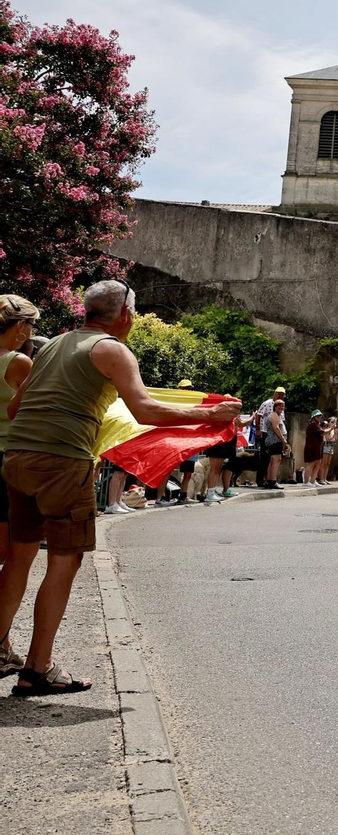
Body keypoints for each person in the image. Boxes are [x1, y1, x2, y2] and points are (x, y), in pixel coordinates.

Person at [0, 281, 240, 695]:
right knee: (64, 560)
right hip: (62, 461)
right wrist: (211, 413)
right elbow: (144, 409)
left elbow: (15, 408)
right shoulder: (113, 349)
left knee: (19, 556)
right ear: (126, 315)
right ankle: (37, 668)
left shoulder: (53, 345)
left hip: (17, 459)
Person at [0, 295, 40, 678]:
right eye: (29, 326)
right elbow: (32, 409)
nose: (30, 334)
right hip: (8, 462)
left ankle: (5, 647)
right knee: (17, 557)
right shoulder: (18, 362)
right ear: (17, 327)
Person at [254, 386, 288, 487]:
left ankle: (269, 479)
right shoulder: (268, 405)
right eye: (279, 394)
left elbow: (281, 424)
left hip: (275, 436)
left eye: (282, 395)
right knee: (268, 458)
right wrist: (258, 429)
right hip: (270, 435)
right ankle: (266, 480)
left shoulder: (279, 412)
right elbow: (259, 415)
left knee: (272, 459)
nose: (281, 396)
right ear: (275, 393)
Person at [301, 410, 326, 486]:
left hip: (317, 447)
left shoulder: (316, 425)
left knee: (318, 463)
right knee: (312, 463)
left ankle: (313, 480)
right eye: (317, 416)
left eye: (320, 417)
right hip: (312, 447)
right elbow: (322, 432)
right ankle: (306, 482)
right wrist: (331, 429)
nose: (319, 418)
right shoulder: (313, 425)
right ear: (313, 417)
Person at [320, 416, 338, 484]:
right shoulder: (327, 430)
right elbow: (328, 439)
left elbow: (335, 439)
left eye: (335, 422)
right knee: (323, 463)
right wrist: (334, 435)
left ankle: (325, 478)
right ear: (328, 423)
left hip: (331, 446)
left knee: (328, 463)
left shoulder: (333, 430)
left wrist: (336, 433)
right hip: (326, 445)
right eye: (332, 422)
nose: (334, 424)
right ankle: (321, 479)